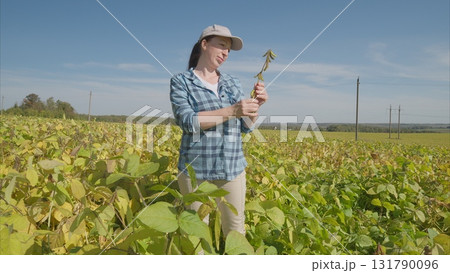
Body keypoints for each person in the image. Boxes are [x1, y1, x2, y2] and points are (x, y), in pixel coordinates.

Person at [170, 24, 268, 237]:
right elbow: (187, 121)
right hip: (196, 171)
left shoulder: (232, 82)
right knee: (196, 234)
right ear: (204, 44)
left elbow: (245, 128)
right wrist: (233, 110)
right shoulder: (181, 81)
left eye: (228, 50)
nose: (225, 53)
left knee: (235, 230)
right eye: (221, 46)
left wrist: (254, 108)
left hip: (232, 167)